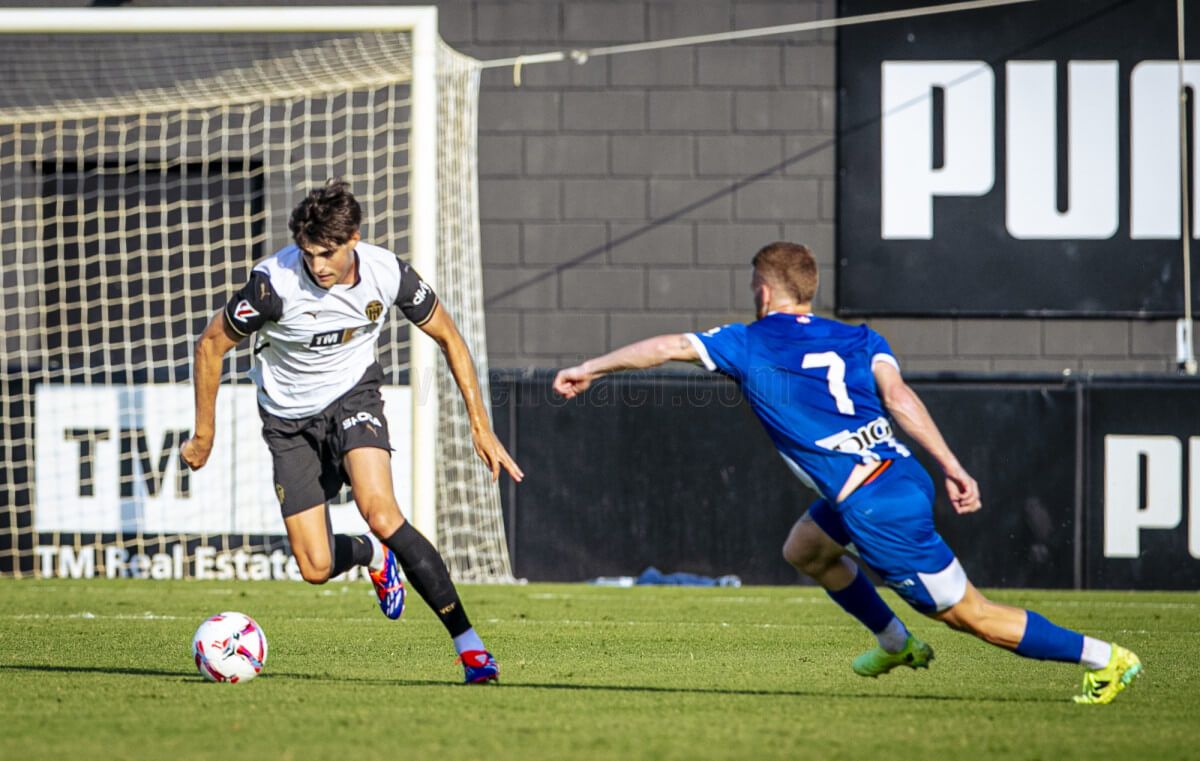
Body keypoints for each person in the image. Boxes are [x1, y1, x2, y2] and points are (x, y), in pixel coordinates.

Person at [552, 241, 1141, 705]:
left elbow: (665, 346)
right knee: (806, 549)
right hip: (900, 475)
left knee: (973, 615)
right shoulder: (860, 337)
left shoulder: (748, 342)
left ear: (763, 289)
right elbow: (901, 399)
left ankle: (1105, 658)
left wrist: (590, 368)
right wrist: (953, 466)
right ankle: (893, 642)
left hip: (872, 505)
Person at [182, 179, 523, 684]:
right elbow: (211, 344)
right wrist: (204, 434)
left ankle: (470, 648)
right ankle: (370, 553)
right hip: (287, 421)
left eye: (327, 253)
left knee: (381, 510)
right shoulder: (271, 286)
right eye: (307, 253)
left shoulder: (387, 274)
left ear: (353, 240)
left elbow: (449, 336)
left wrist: (481, 424)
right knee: (316, 566)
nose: (317, 265)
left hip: (352, 398)